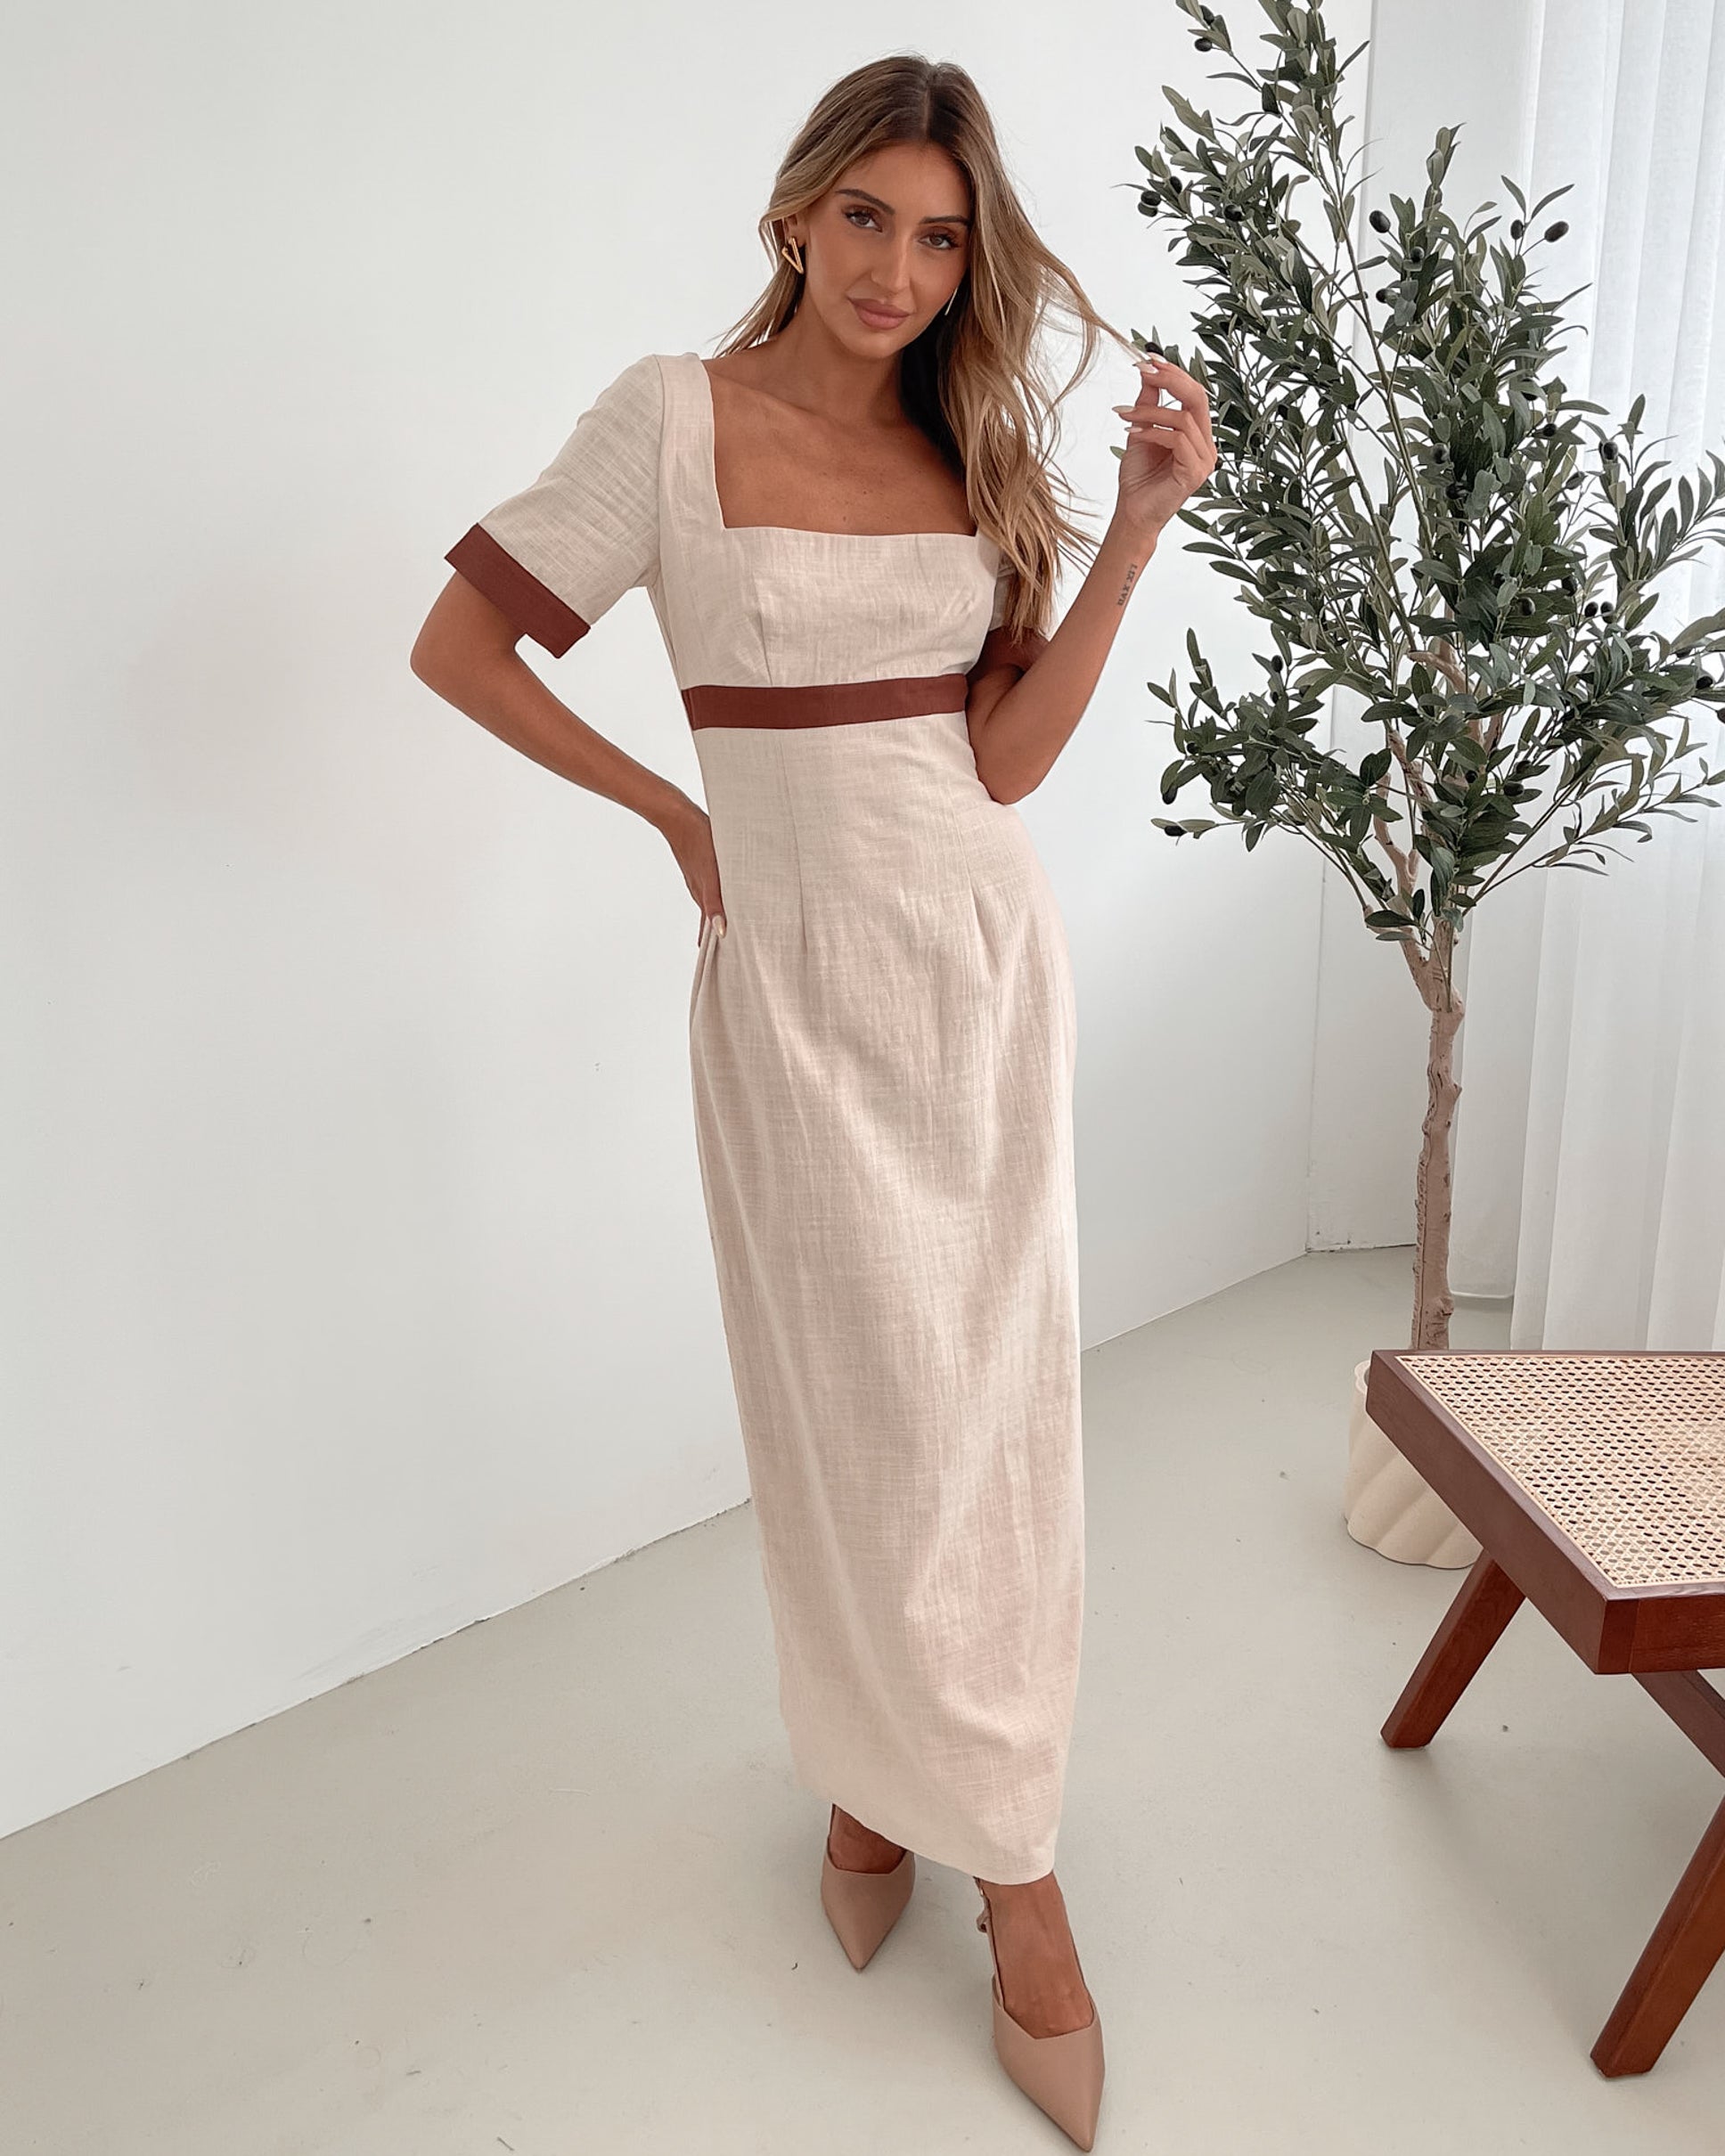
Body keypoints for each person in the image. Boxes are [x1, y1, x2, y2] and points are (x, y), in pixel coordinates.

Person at [411, 52, 1214, 2152]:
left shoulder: (970, 450)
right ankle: (913, 1800)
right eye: (868, 216)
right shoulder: (668, 422)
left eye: (941, 236)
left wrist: (1128, 531)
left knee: (984, 1412)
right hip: (789, 990)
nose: (898, 267)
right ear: (797, 210)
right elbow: (463, 649)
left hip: (975, 964)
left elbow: (1007, 763)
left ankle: (966, 1833)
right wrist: (672, 808)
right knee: (847, 1404)